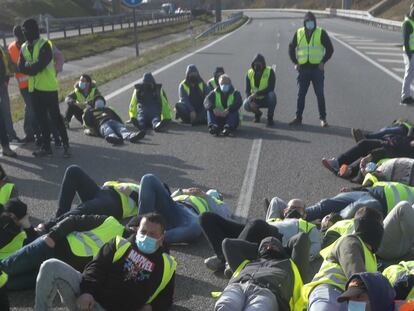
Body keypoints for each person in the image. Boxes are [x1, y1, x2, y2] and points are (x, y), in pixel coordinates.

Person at [34, 213, 176, 311]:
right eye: (143, 231)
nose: (146, 236)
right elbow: (96, 266)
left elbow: (166, 298)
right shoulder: (119, 244)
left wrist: (151, 307)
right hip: (90, 302)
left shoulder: (167, 265)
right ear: (137, 230)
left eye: (152, 234)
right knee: (50, 266)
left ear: (161, 238)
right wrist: (87, 292)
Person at [1, 215, 137, 290]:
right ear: (135, 227)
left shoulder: (128, 253)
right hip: (51, 247)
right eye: (142, 231)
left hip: (57, 271)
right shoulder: (110, 223)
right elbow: (74, 220)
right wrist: (53, 236)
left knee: (7, 284)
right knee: (6, 267)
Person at [201, 198, 319, 276]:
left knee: (257, 223)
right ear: (284, 210)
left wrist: (293, 258)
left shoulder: (308, 226)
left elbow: (315, 247)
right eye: (290, 207)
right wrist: (289, 209)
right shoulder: (274, 218)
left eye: (298, 208)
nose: (294, 210)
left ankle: (229, 261)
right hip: (253, 233)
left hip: (275, 245)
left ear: (305, 213)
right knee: (206, 218)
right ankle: (223, 258)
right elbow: (275, 200)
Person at [296, 207, 384, 311]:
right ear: (373, 228)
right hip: (330, 292)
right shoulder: (349, 241)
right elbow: (357, 277)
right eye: (381, 226)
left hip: (349, 298)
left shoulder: (371, 256)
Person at [18, 18, 70, 158]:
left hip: (48, 88)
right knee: (41, 120)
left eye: (27, 30)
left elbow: (39, 66)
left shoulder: (45, 44)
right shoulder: (23, 47)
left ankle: (66, 145)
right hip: (33, 89)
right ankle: (46, 147)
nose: (25, 33)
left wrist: (30, 68)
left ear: (34, 30)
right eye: (23, 31)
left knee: (56, 119)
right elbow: (20, 67)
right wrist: (31, 68)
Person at [40, 165, 141, 232]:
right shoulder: (146, 185)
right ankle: (60, 216)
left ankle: (50, 226)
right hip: (102, 191)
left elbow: (147, 207)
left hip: (115, 204)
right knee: (73, 170)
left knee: (84, 208)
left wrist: (131, 193)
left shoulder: (151, 194)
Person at [214, 236, 304, 311]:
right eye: (265, 246)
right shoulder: (247, 262)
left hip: (267, 291)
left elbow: (300, 239)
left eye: (274, 245)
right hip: (238, 286)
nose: (269, 247)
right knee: (224, 307)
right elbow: (227, 243)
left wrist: (285, 251)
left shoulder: (290, 264)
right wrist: (258, 250)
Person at [138, 173, 231, 244]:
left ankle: (156, 239)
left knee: (197, 226)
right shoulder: (187, 193)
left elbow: (223, 216)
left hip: (189, 216)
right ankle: (139, 228)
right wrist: (183, 191)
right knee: (148, 178)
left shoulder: (216, 201)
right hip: (174, 207)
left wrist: (205, 196)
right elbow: (171, 197)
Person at [321, 201, 414, 261]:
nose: (330, 215)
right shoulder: (333, 231)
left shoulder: (349, 219)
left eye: (328, 215)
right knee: (403, 207)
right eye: (326, 218)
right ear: (325, 227)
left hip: (400, 243)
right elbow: (332, 251)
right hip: (379, 247)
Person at [288, 11, 334, 127]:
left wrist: (323, 61)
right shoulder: (299, 33)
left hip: (316, 70)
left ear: (315, 22)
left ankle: (323, 119)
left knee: (320, 94)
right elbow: (291, 47)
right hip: (303, 69)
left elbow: (330, 49)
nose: (310, 24)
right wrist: (295, 62)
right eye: (308, 22)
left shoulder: (321, 33)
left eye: (312, 22)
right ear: (304, 23)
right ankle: (298, 117)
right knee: (301, 94)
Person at [305, 181, 414, 221]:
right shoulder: (409, 188)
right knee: (326, 203)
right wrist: (353, 189)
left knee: (348, 212)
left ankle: (328, 224)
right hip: (367, 192)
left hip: (379, 206)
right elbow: (377, 183)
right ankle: (297, 215)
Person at [321, 135, 414, 177]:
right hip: (399, 145)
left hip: (405, 156)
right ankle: (338, 162)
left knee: (379, 153)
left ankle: (352, 171)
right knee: (365, 143)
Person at [8, 25, 39, 144]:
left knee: (31, 108)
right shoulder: (11, 48)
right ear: (15, 37)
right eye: (19, 37)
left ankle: (34, 132)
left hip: (35, 82)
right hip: (24, 85)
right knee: (31, 108)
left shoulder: (30, 44)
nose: (22, 40)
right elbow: (12, 67)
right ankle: (31, 133)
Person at [243, 53, 276, 126]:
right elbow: (247, 90)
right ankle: (257, 114)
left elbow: (271, 88)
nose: (257, 65)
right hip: (255, 99)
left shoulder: (269, 71)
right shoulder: (249, 73)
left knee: (272, 95)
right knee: (245, 104)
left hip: (266, 98)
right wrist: (250, 100)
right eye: (255, 63)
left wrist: (257, 93)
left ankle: (270, 118)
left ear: (263, 64)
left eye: (259, 63)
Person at [0, 43, 19, 143]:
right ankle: (7, 137)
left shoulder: (1, 47)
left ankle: (11, 135)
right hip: (1, 84)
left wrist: (6, 79)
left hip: (3, 84)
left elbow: (5, 65)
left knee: (6, 112)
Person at [401, 4, 414, 105]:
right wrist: (409, 55)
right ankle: (405, 96)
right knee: (409, 74)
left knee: (410, 74)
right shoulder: (407, 23)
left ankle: (407, 95)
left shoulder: (412, 22)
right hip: (409, 53)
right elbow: (405, 40)